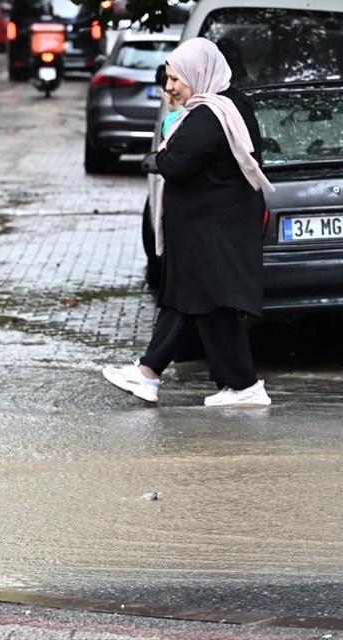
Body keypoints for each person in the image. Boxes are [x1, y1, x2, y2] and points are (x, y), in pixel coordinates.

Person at [102, 37, 275, 407]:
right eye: (167, 79)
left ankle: (155, 374)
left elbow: (174, 164)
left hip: (209, 230)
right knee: (198, 302)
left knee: (199, 301)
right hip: (210, 228)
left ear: (198, 74)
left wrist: (163, 146)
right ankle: (238, 385)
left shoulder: (209, 115)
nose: (169, 87)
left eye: (176, 79)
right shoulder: (231, 105)